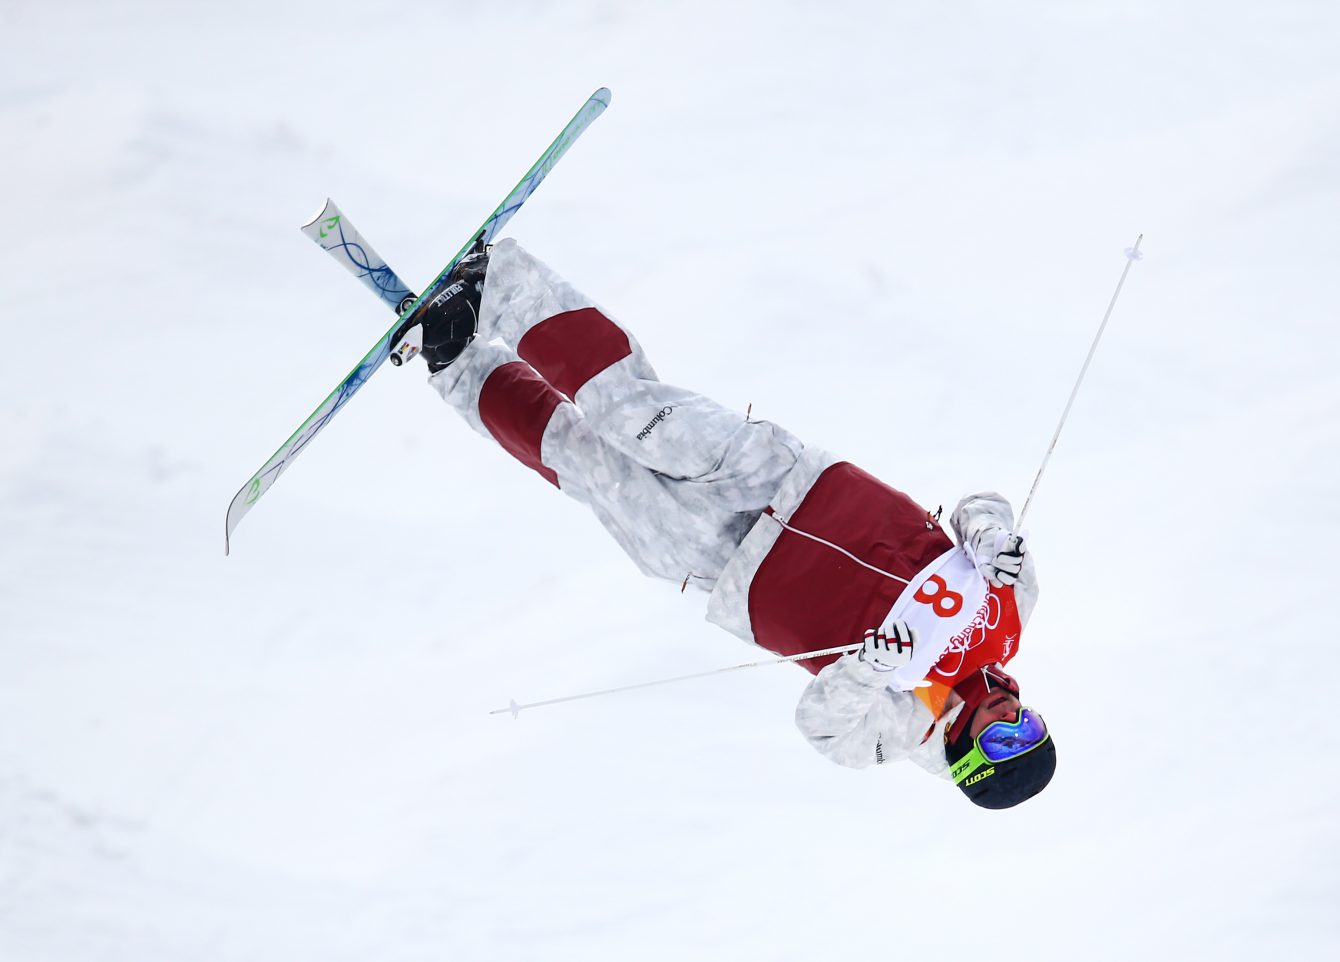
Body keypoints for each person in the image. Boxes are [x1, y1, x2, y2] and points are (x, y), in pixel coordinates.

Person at [397, 239, 1056, 810]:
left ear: (971, 759)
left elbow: (825, 727)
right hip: (792, 482)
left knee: (590, 465)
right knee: (635, 415)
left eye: (1005, 741)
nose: (1012, 720)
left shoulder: (905, 726)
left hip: (730, 566)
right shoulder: (1011, 616)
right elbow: (982, 507)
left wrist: (866, 669)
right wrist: (992, 538)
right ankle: (502, 285)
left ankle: (455, 356)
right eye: (1030, 726)